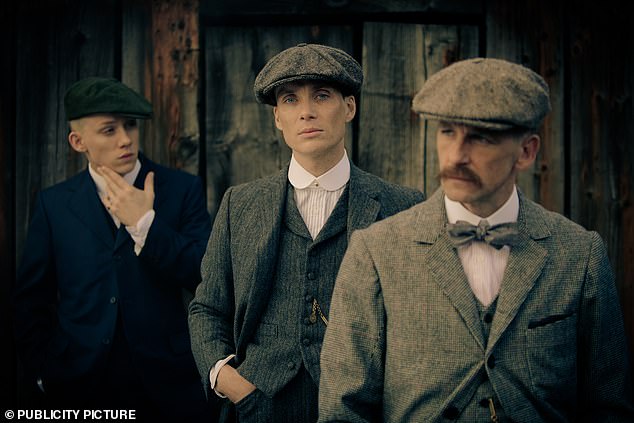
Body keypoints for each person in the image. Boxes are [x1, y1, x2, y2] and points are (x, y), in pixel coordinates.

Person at [318, 58, 634, 422]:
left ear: (527, 152)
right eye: (447, 132)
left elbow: (610, 406)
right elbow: (343, 409)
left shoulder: (580, 254)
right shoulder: (376, 251)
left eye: (481, 137)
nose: (456, 156)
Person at [188, 43, 424, 423]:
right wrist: (230, 383)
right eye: (290, 100)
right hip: (257, 405)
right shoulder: (240, 204)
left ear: (349, 107)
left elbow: (419, 322)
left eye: (322, 96)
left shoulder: (403, 205)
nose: (307, 112)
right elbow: (208, 307)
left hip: (364, 409)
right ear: (278, 118)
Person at [12, 77, 215, 422]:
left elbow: (205, 273)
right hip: (78, 384)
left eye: (130, 125)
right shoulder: (54, 204)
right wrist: (43, 372)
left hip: (167, 385)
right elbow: (31, 299)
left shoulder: (182, 189)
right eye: (108, 130)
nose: (126, 139)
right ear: (78, 141)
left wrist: (146, 224)